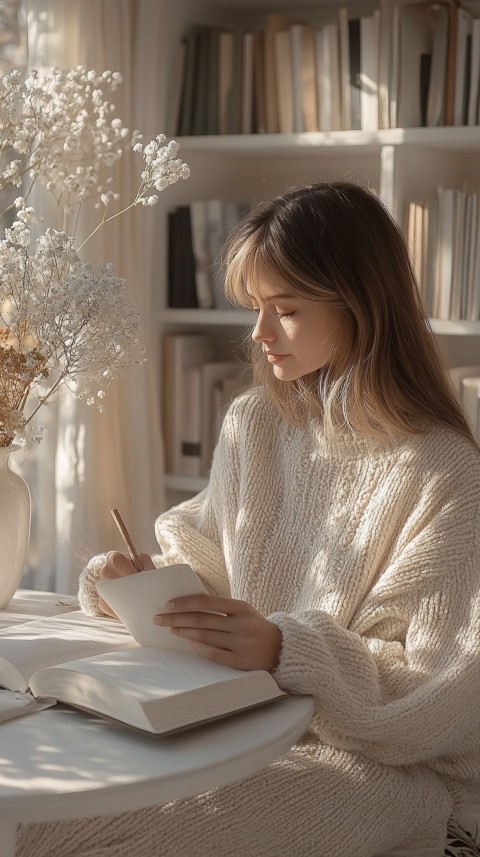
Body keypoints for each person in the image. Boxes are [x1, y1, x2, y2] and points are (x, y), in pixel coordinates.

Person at [17, 181, 480, 857]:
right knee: (44, 813)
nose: (260, 334)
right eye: (256, 308)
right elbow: (209, 558)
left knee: (127, 835)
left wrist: (287, 650)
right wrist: (144, 584)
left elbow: (441, 695)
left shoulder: (445, 471)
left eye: (285, 309)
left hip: (384, 767)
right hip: (238, 718)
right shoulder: (256, 423)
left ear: (362, 306)